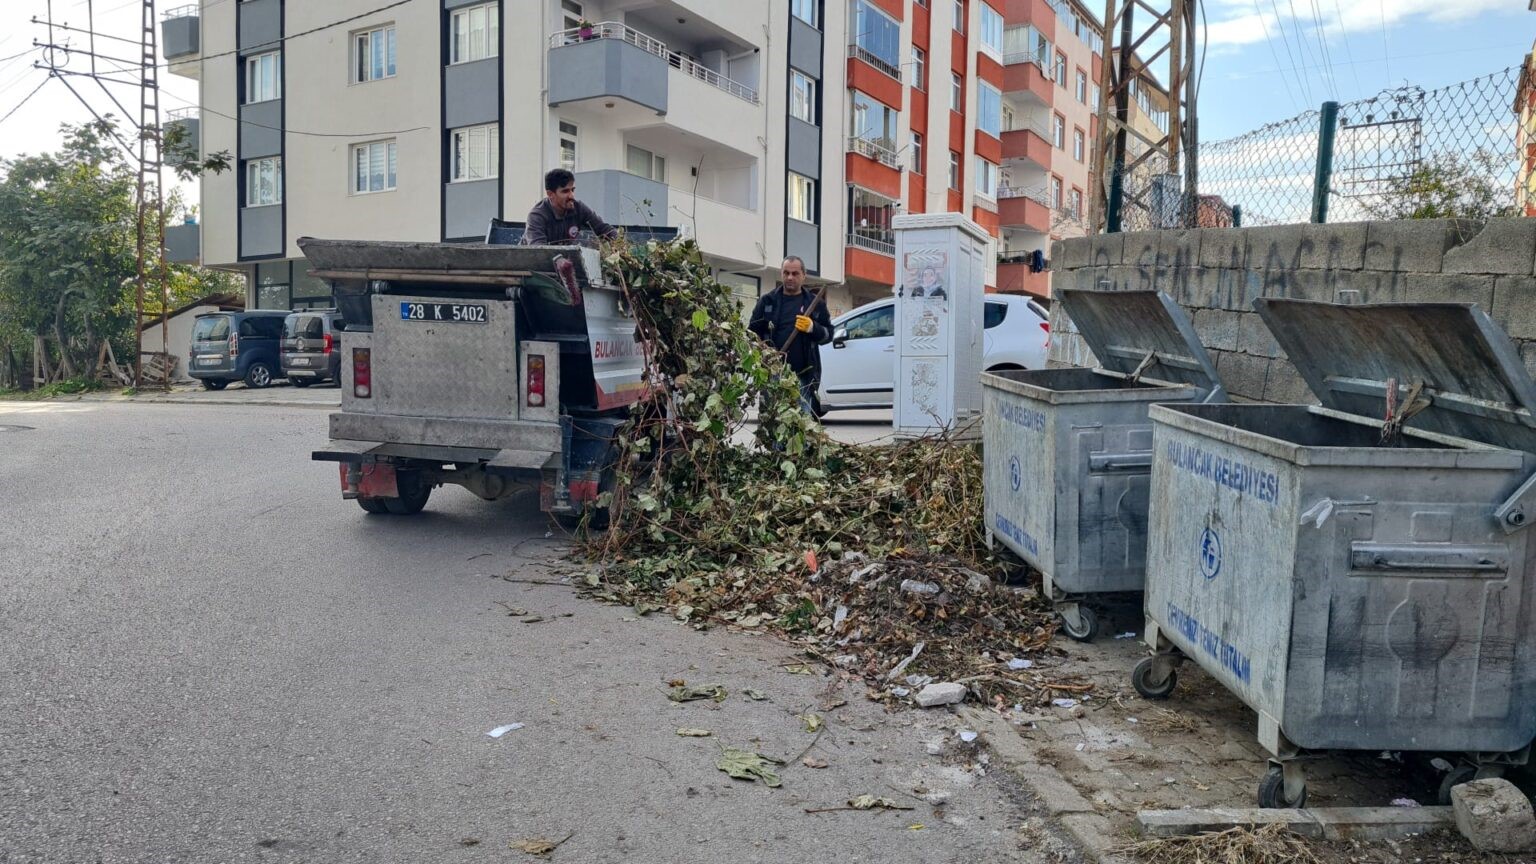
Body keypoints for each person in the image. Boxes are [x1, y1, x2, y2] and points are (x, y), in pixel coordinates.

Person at [748, 256, 833, 416]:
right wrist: (763, 350)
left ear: (803, 275)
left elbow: (828, 336)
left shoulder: (815, 304)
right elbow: (752, 333)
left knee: (800, 427)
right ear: (781, 274)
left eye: (795, 273)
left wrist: (813, 328)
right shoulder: (767, 302)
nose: (790, 277)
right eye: (786, 273)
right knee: (773, 423)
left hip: (803, 377)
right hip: (773, 374)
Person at [523, 168, 618, 245]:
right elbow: (538, 249)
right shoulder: (537, 216)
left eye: (572, 190)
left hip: (564, 262)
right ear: (550, 194)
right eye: (565, 191)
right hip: (528, 266)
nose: (571, 195)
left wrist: (621, 244)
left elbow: (604, 229)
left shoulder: (578, 208)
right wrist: (558, 260)